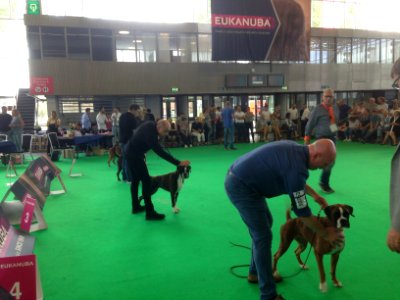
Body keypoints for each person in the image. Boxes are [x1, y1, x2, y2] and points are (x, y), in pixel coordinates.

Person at [225, 139, 344, 300]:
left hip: (243, 178)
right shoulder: (297, 170)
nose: (322, 168)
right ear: (317, 155)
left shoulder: (297, 150)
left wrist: (315, 195)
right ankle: (268, 295)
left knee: (266, 224)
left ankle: (255, 273)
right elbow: (303, 213)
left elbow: (295, 182)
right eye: (324, 164)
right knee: (262, 236)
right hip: (241, 186)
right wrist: (325, 234)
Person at [125, 119, 190, 220]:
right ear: (159, 127)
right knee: (146, 181)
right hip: (134, 155)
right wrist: (178, 162)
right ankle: (150, 212)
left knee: (135, 180)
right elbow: (159, 152)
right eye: (165, 131)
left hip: (132, 152)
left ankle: (136, 207)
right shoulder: (151, 134)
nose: (166, 134)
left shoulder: (151, 125)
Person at [304, 88, 339, 193]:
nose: (328, 99)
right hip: (321, 139)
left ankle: (324, 182)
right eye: (326, 97)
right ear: (323, 97)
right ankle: (321, 183)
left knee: (331, 162)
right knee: (321, 163)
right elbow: (309, 125)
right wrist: (307, 139)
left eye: (330, 97)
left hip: (332, 139)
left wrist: (335, 133)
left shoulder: (335, 108)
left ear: (333, 97)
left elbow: (333, 123)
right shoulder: (317, 109)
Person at [119, 104, 141, 182]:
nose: (137, 113)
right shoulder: (132, 118)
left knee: (124, 159)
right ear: (133, 110)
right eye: (137, 111)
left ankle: (124, 177)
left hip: (122, 141)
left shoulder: (122, 116)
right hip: (129, 141)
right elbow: (135, 130)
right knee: (129, 160)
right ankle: (130, 179)